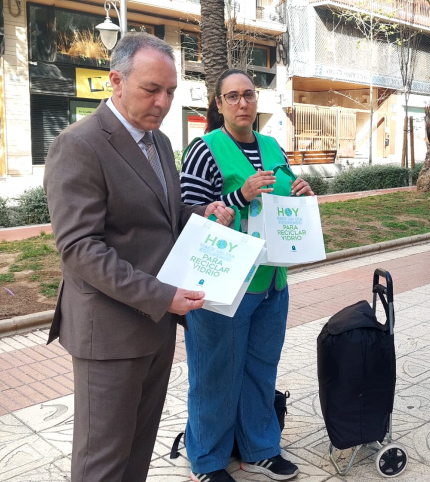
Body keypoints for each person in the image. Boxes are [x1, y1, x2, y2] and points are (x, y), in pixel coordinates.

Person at [44, 32, 235, 482]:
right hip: (109, 333)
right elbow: (79, 249)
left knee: (137, 452)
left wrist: (201, 213)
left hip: (156, 326)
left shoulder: (159, 142)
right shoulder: (80, 144)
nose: (164, 102)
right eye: (152, 89)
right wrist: (163, 295)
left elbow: (160, 217)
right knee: (102, 463)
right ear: (116, 80)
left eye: (170, 91)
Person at [179, 69, 313, 482]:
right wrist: (239, 197)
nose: (242, 103)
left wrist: (301, 192)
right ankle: (208, 460)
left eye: (249, 95)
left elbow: (282, 199)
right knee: (215, 374)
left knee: (260, 369)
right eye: (232, 97)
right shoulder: (204, 149)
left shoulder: (273, 146)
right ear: (218, 104)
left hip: (273, 283)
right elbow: (186, 214)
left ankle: (259, 449)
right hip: (224, 286)